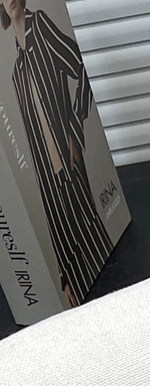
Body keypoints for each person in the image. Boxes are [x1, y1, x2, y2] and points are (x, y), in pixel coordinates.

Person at [1, 0, 113, 307]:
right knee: (75, 275)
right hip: (50, 184)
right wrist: (63, 275)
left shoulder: (41, 27)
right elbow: (38, 158)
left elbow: (80, 69)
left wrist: (75, 129)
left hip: (71, 163)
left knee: (94, 238)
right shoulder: (16, 73)